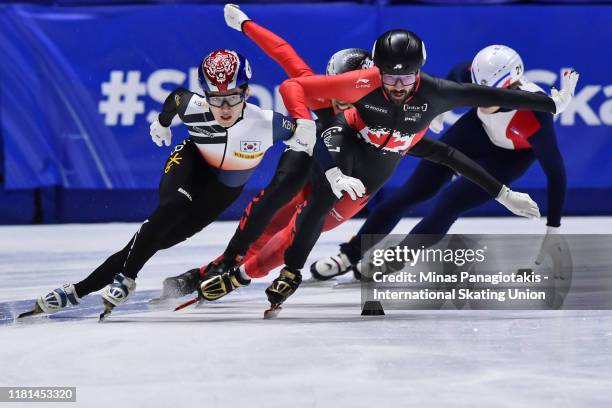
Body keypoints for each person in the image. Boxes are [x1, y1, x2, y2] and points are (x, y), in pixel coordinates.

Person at [197, 25, 578, 312]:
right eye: (342, 97)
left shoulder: (413, 117)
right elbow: (290, 67)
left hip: (370, 173)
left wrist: (510, 196)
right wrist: (247, 24)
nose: (395, 88)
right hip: (339, 161)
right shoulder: (357, 97)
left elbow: (459, 141)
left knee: (427, 203)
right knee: (289, 195)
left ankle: (250, 272)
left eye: (404, 80)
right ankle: (237, 262)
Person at [24, 48, 317, 318]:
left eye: (233, 98)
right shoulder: (193, 106)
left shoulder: (270, 123)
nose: (224, 108)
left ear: (247, 92)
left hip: (222, 190)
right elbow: (176, 99)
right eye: (215, 99)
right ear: (205, 95)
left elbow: (312, 141)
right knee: (172, 207)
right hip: (192, 162)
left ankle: (76, 290)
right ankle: (126, 279)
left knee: (156, 240)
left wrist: (330, 168)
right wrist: (162, 123)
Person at [161, 4, 371, 299]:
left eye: (354, 95)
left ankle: (235, 275)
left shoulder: (382, 113)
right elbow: (284, 53)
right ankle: (221, 265)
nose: (344, 102)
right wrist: (246, 24)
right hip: (317, 157)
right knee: (278, 195)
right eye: (339, 92)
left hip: (350, 179)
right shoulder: (321, 91)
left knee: (292, 231)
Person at [311, 45, 568, 280]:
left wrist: (553, 231)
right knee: (410, 193)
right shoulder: (473, 73)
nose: (481, 100)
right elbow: (453, 77)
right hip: (476, 131)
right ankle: (349, 254)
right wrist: (439, 108)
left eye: (490, 96)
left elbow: (556, 174)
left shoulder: (535, 116)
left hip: (511, 156)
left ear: (511, 88)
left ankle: (394, 260)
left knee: (447, 204)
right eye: (480, 91)